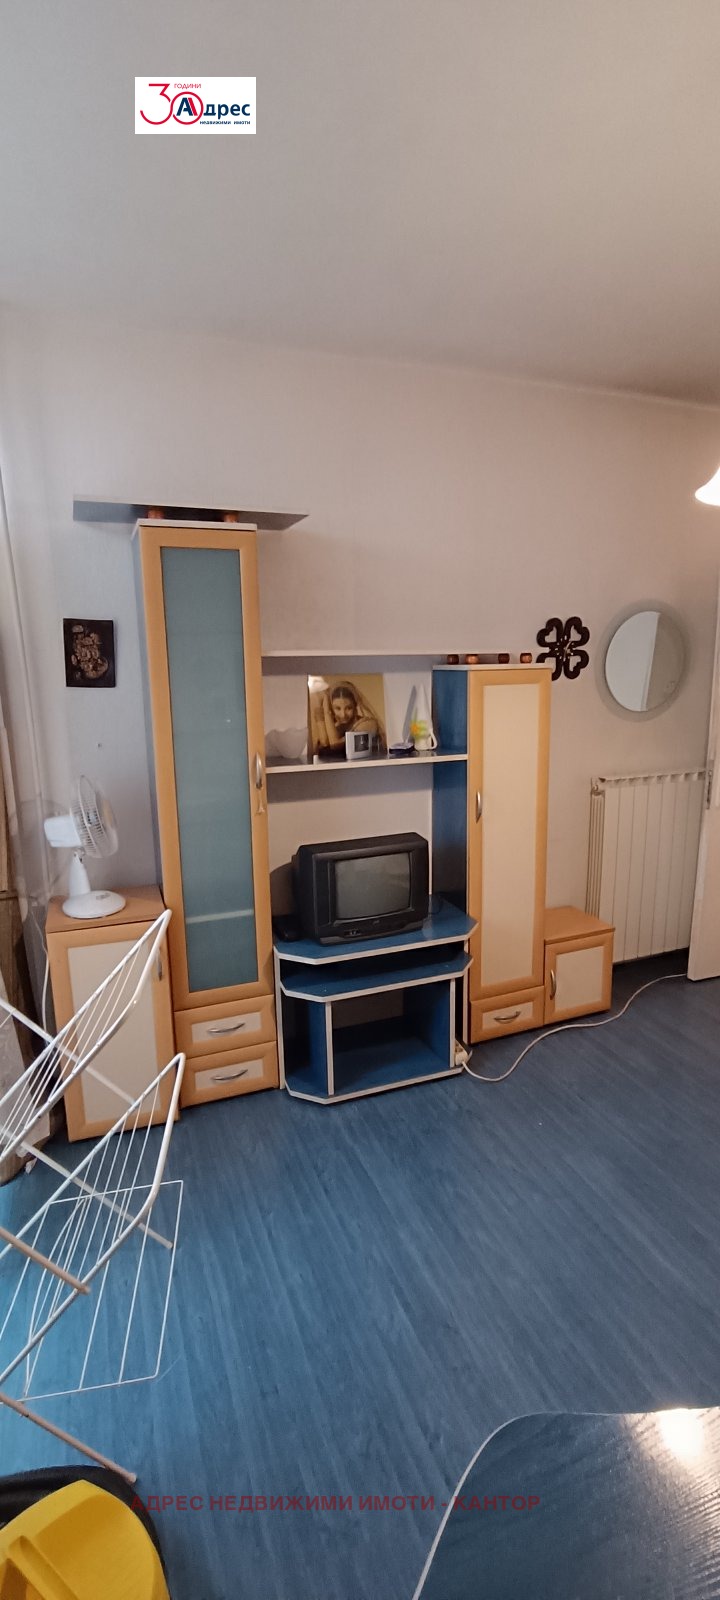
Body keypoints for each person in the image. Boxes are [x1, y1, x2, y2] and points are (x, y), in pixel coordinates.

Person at [310, 680, 386, 756]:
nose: (343, 715)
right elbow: (324, 742)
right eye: (337, 708)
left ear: (355, 706)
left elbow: (335, 744)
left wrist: (327, 712)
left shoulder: (368, 724)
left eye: (349, 708)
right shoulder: (337, 726)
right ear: (332, 708)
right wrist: (323, 706)